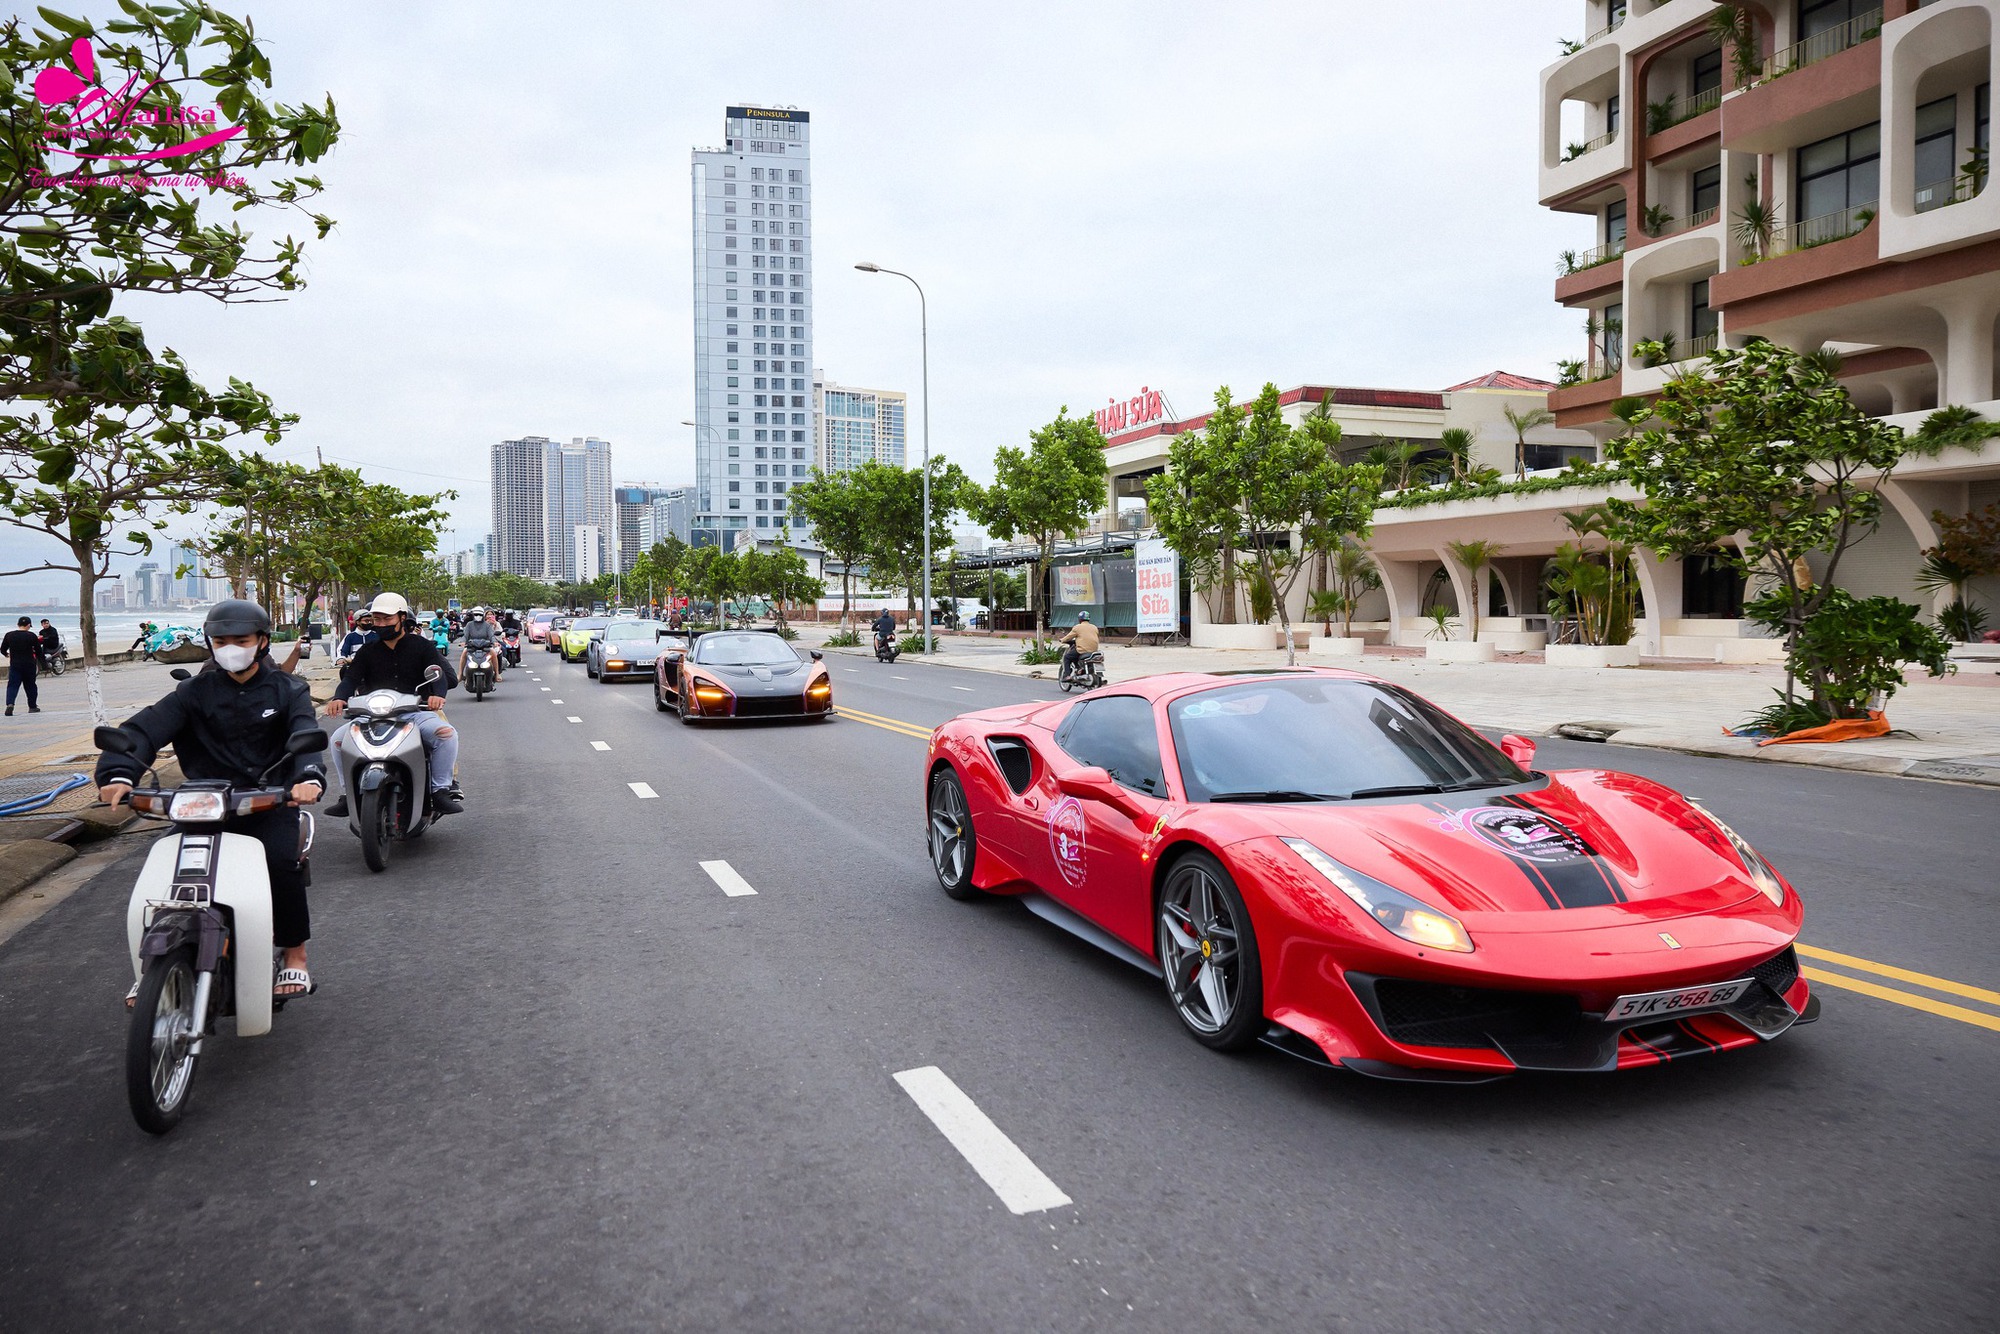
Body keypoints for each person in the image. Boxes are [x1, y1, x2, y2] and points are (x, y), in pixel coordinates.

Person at [95, 600, 325, 1000]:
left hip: (267, 802)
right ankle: (155, 967)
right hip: (203, 803)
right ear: (210, 643)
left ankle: (295, 955)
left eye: (241, 640)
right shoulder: (191, 693)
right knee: (168, 872)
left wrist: (308, 777)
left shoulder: (288, 690)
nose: (230, 647)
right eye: (221, 641)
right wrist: (119, 772)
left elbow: (304, 734)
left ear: (262, 642)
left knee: (279, 864)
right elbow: (143, 731)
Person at [324, 592, 461, 816]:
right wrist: (339, 698)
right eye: (377, 619)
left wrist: (437, 694)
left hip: (414, 713)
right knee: (338, 740)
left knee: (446, 734)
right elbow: (351, 678)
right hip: (370, 715)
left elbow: (439, 674)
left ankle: (440, 790)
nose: (381, 624)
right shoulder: (367, 651)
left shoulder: (422, 646)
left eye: (387, 619)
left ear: (401, 618)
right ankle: (348, 794)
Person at [4, 617, 42, 716]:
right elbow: (39, 651)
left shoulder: (9, 635)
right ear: (29, 625)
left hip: (15, 664)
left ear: (18, 624)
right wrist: (44, 664)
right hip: (29, 664)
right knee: (30, 686)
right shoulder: (31, 636)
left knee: (12, 685)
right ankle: (32, 707)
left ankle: (10, 704)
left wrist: (8, 654)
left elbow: (3, 649)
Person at [459, 606, 503, 683]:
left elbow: (491, 635)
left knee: (493, 652)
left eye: (479, 614)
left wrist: (494, 642)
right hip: (472, 645)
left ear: (483, 615)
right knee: (464, 652)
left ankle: (497, 674)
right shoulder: (469, 624)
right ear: (473, 615)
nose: (477, 616)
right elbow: (465, 636)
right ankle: (460, 674)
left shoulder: (487, 625)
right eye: (476, 615)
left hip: (485, 646)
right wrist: (463, 642)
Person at [1059, 611, 1100, 683]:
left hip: (1083, 650)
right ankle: (1079, 669)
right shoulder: (1094, 627)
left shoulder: (1077, 627)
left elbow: (1068, 637)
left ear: (1080, 619)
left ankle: (1067, 676)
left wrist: (1062, 640)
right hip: (1094, 650)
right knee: (1074, 656)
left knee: (1067, 657)